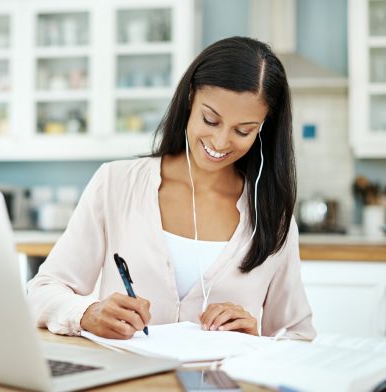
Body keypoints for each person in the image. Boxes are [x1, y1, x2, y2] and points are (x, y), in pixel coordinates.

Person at [27, 36, 316, 341]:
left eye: (243, 131)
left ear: (262, 128)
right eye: (210, 119)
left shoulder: (272, 215)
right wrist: (87, 314)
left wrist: (255, 338)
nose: (220, 143)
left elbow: (298, 335)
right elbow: (42, 292)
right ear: (190, 97)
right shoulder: (116, 183)